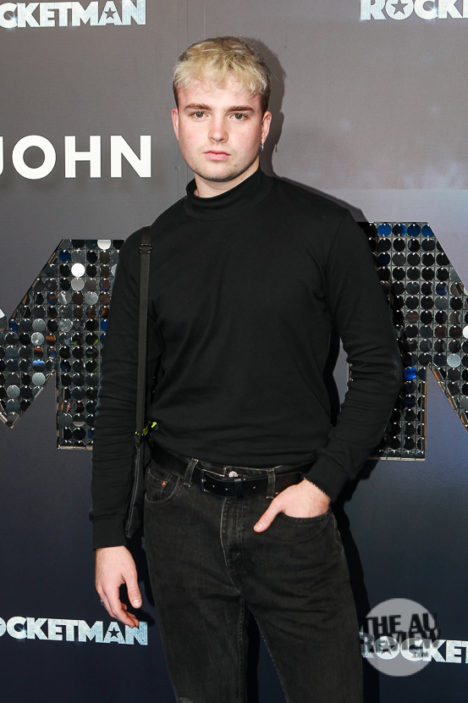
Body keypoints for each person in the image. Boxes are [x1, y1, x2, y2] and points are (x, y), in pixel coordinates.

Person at [92, 36, 402, 703]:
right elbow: (119, 400)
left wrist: (320, 485)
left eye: (237, 114)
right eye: (199, 112)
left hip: (289, 515)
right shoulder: (149, 250)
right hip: (177, 515)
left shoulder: (326, 230)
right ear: (176, 120)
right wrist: (109, 536)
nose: (217, 132)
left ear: (264, 125)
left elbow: (379, 370)